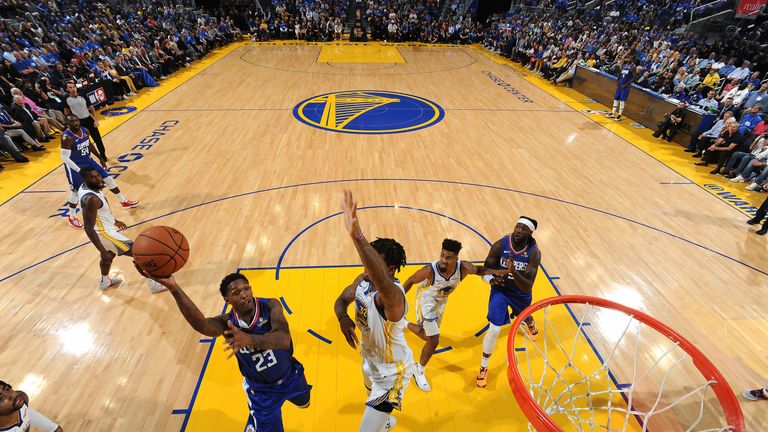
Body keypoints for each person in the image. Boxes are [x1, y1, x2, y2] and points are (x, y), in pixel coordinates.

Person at [135, 270, 312, 431]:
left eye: (247, 289)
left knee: (305, 403)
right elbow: (202, 325)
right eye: (236, 293)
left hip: (291, 376)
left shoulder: (271, 306)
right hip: (262, 392)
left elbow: (283, 340)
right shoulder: (226, 323)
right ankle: (255, 421)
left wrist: (249, 339)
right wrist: (174, 288)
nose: (244, 295)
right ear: (227, 300)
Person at [334, 190, 412, 431]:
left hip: (393, 373)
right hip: (370, 360)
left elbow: (381, 281)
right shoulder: (362, 281)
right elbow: (340, 300)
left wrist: (358, 236)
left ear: (388, 269)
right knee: (371, 397)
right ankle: (386, 422)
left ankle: (384, 421)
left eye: (372, 263)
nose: (365, 266)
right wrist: (343, 317)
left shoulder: (393, 296)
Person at [403, 239, 507, 392]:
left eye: (448, 258)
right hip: (426, 300)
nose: (443, 261)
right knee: (433, 339)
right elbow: (411, 280)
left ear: (456, 259)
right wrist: (397, 300)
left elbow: (480, 270)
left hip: (441, 302)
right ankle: (418, 370)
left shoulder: (464, 268)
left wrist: (497, 272)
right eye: (442, 256)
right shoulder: (430, 270)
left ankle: (402, 323)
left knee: (426, 336)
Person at [476, 217, 541, 388]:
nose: (518, 230)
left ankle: (530, 322)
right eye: (517, 227)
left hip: (521, 293)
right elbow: (484, 270)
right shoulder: (500, 245)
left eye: (523, 229)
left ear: (530, 233)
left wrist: (513, 272)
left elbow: (527, 286)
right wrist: (491, 280)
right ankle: (483, 367)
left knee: (524, 315)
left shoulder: (534, 253)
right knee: (495, 329)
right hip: (501, 290)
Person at [78, 166, 159, 292]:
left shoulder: (87, 187)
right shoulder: (91, 199)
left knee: (109, 255)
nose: (98, 179)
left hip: (106, 230)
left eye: (98, 175)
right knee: (138, 253)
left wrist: (114, 221)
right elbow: (88, 227)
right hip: (104, 233)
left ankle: (105, 281)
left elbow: (99, 214)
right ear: (85, 179)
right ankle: (154, 284)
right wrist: (101, 250)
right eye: (92, 178)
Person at [61, 115, 138, 229]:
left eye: (76, 120)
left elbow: (89, 144)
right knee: (76, 192)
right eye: (72, 122)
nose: (75, 123)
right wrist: (79, 170)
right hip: (74, 166)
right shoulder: (67, 137)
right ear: (67, 124)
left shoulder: (85, 130)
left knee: (108, 179)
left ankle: (124, 201)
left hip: (88, 160)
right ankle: (71, 217)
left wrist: (99, 157)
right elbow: (65, 158)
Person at [63, 81, 107, 163]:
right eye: (70, 87)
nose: (72, 88)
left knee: (97, 139)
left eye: (73, 87)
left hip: (89, 120)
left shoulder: (83, 96)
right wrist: (70, 124)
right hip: (79, 123)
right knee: (85, 142)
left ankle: (103, 155)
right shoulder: (66, 99)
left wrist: (96, 120)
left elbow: (92, 109)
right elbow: (67, 113)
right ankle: (87, 159)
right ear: (67, 89)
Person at [605, 55, 635, 122]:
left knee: (622, 100)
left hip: (626, 86)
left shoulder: (633, 67)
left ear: (631, 59)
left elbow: (634, 78)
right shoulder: (624, 65)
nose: (626, 59)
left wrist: (626, 84)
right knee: (616, 98)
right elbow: (621, 74)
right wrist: (618, 80)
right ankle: (613, 113)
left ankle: (619, 115)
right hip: (620, 85)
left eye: (628, 58)